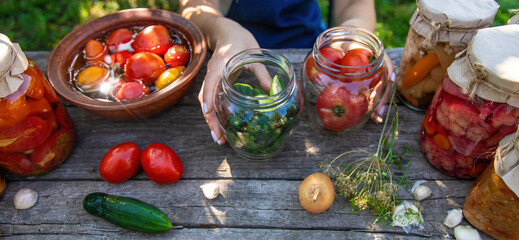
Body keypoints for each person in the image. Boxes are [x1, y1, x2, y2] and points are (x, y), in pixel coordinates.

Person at [179, 0, 394, 145]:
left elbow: (354, 3)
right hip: (235, 52)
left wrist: (356, 28)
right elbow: (196, 7)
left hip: (316, 51)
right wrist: (221, 31)